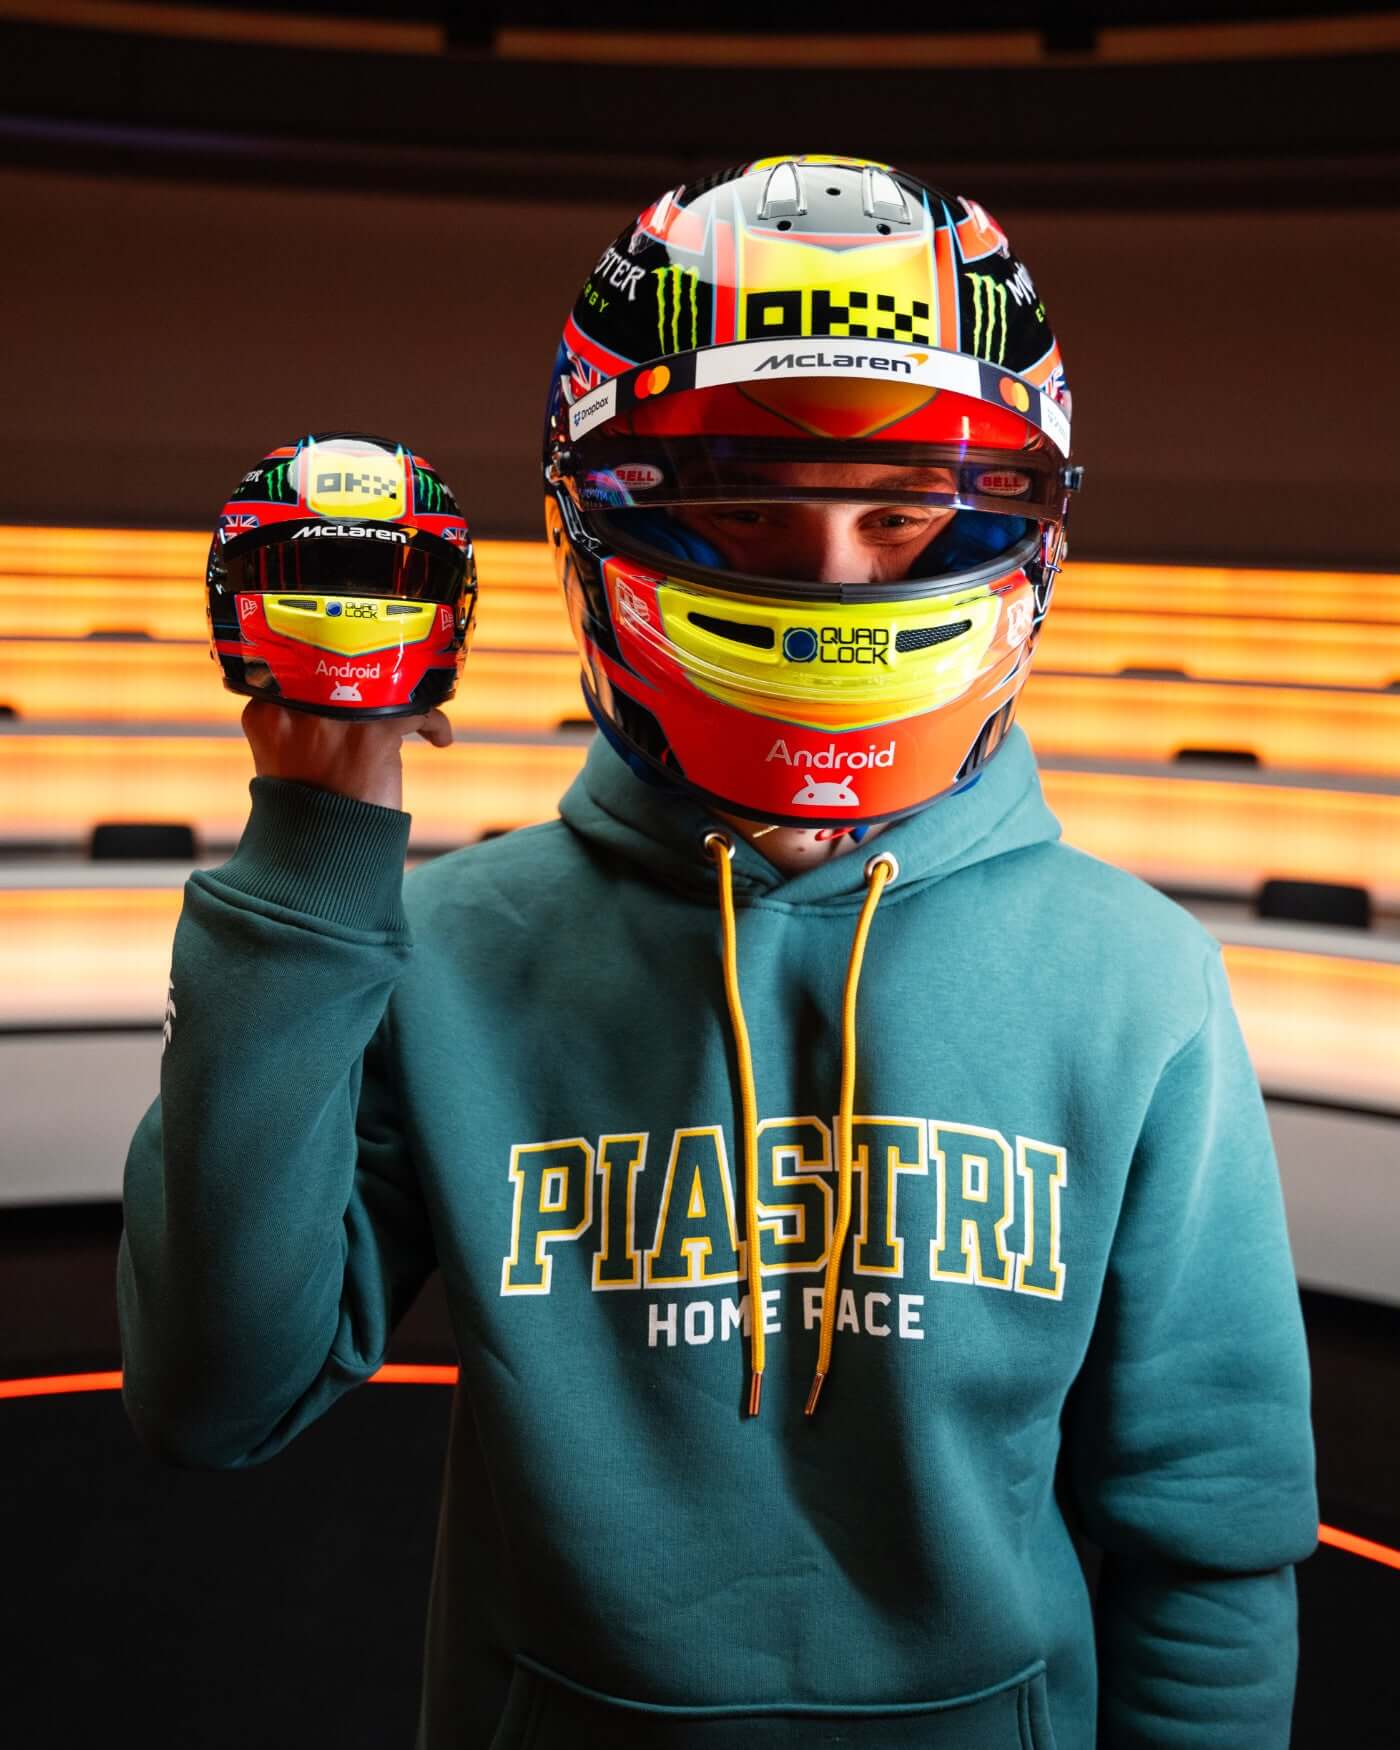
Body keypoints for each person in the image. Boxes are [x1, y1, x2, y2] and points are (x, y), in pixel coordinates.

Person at [119, 156, 1316, 1748]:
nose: (831, 585)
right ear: (611, 521)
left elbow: (1210, 1545)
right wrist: (317, 850)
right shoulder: (455, 950)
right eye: (749, 511)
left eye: (900, 519)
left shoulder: (1136, 984)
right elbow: (218, 1392)